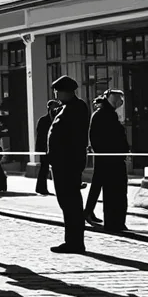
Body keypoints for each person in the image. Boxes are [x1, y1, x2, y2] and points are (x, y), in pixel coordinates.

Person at [48, 75, 90, 253]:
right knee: (67, 202)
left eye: (58, 91)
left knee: (70, 203)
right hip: (62, 163)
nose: (56, 95)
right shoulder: (66, 108)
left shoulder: (76, 109)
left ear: (66, 92)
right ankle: (72, 240)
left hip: (68, 163)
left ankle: (75, 242)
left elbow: (71, 138)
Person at [88, 89, 129, 232]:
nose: (121, 103)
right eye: (119, 100)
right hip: (110, 160)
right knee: (114, 192)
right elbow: (99, 139)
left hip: (111, 159)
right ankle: (114, 222)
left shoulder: (107, 114)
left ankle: (92, 213)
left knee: (107, 189)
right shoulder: (104, 115)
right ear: (114, 100)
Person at [35, 100, 61, 196]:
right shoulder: (43, 120)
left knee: (53, 167)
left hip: (54, 147)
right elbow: (40, 136)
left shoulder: (57, 119)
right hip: (44, 148)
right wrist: (41, 149)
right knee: (44, 167)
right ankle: (41, 187)